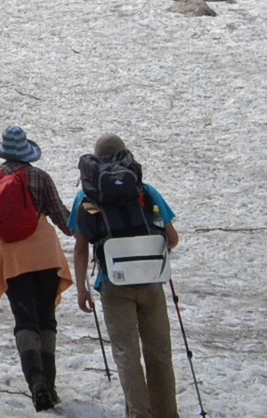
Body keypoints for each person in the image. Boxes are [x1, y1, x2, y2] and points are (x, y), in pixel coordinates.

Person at [68, 133, 182, 418]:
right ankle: (167, 413)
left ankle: (138, 414)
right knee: (159, 354)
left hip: (114, 284)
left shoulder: (86, 195)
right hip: (151, 283)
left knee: (127, 355)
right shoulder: (146, 190)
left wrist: (81, 288)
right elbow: (173, 238)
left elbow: (81, 247)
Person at [0, 125, 72, 411]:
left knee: (25, 319)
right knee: (46, 318)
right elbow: (64, 221)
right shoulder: (41, 177)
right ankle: (50, 385)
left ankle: (36, 383)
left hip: (12, 258)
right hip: (45, 253)